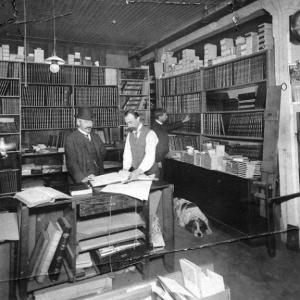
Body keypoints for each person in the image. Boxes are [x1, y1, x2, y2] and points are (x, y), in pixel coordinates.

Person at [122, 110, 164, 249]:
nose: (129, 125)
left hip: (151, 173)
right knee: (140, 206)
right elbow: (127, 153)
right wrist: (125, 169)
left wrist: (138, 171)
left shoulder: (150, 134)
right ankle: (141, 236)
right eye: (127, 123)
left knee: (153, 208)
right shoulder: (130, 135)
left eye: (131, 122)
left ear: (138, 119)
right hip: (137, 174)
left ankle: (156, 240)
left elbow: (150, 156)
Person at [65, 107, 106, 183]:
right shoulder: (71, 139)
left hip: (97, 179)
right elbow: (71, 163)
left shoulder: (96, 137)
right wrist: (82, 178)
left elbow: (102, 155)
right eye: (86, 122)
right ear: (78, 122)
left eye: (90, 122)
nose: (89, 125)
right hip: (80, 180)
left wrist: (99, 176)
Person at [151, 108, 190, 179]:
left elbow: (171, 126)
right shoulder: (155, 128)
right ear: (160, 117)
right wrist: (158, 161)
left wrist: (183, 121)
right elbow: (157, 146)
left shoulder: (159, 124)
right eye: (165, 115)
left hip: (163, 157)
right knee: (160, 178)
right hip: (159, 159)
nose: (167, 116)